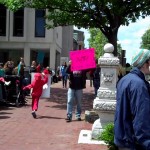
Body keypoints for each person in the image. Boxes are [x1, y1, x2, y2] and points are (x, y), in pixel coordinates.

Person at [114, 49, 150, 150]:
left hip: (122, 137)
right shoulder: (139, 84)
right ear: (145, 63)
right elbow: (141, 117)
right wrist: (147, 143)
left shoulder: (124, 79)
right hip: (132, 141)